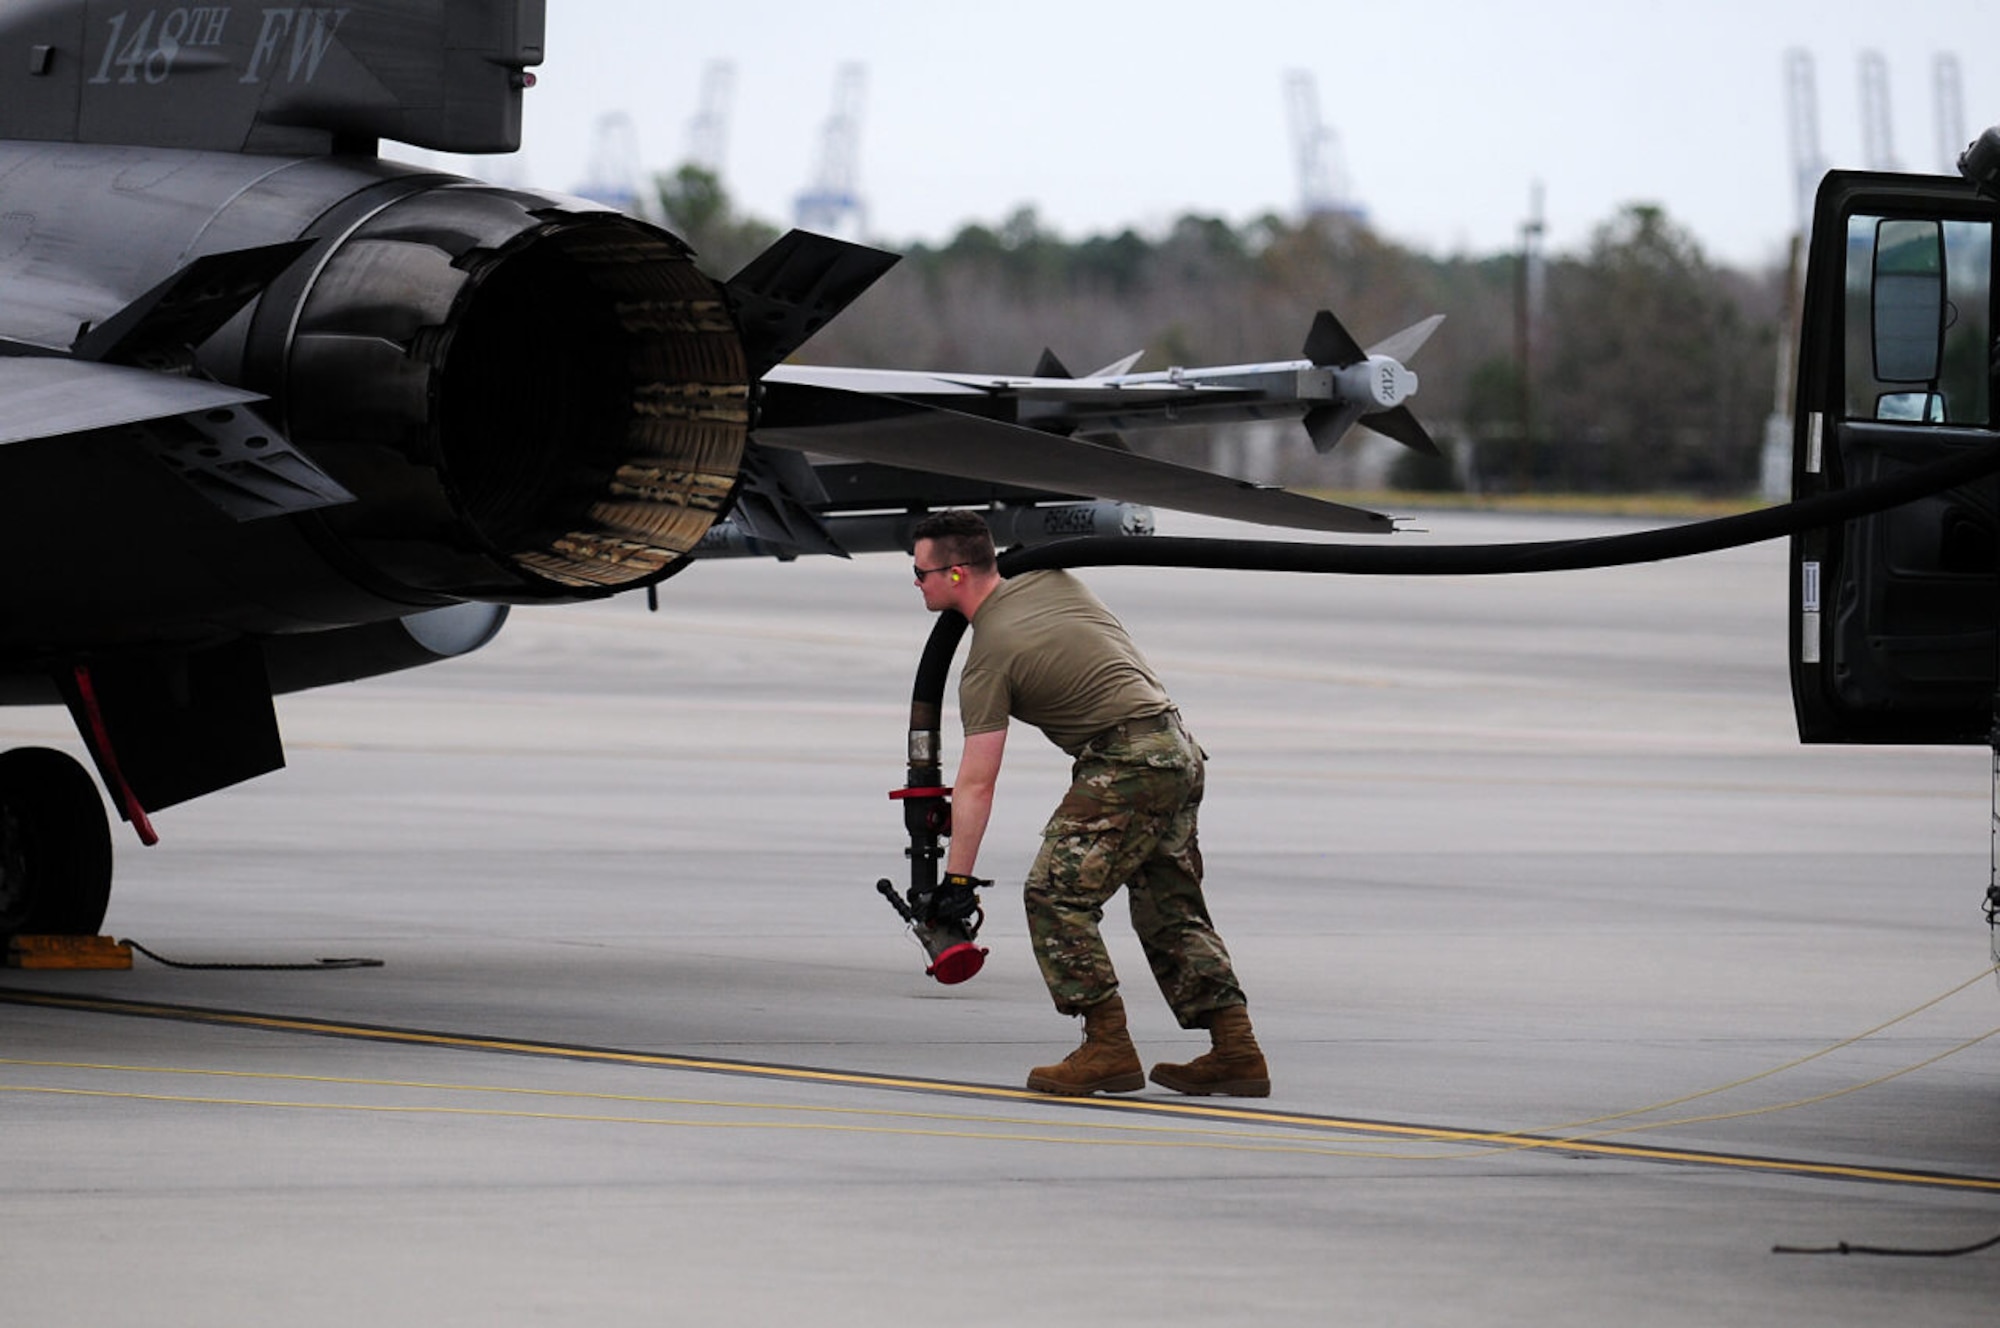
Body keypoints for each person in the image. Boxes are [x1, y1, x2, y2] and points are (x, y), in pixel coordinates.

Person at [907, 509, 1269, 1098]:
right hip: (1176, 748)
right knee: (1169, 907)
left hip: (1128, 760)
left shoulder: (988, 657)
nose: (916, 584)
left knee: (1055, 895)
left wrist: (958, 882)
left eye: (920, 573)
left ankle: (1106, 1046)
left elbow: (977, 783)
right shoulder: (1053, 580)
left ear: (953, 575)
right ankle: (1237, 1051)